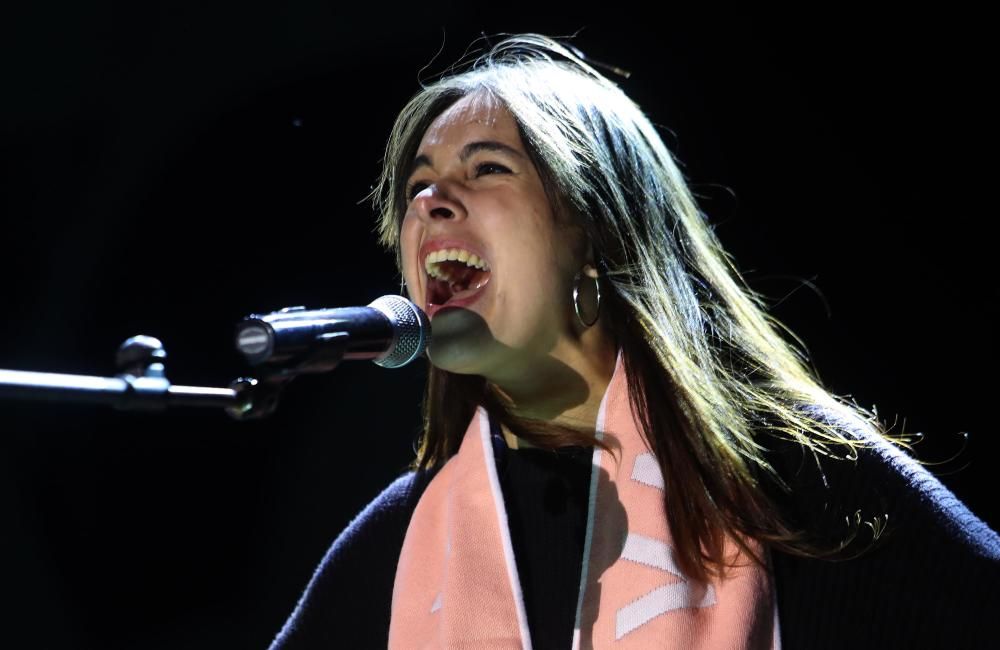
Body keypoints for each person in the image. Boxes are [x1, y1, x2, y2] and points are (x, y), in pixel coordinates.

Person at [269, 34, 999, 649]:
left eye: (488, 167)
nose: (429, 200)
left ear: (595, 232)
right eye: (417, 186)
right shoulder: (396, 545)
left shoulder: (795, 475)